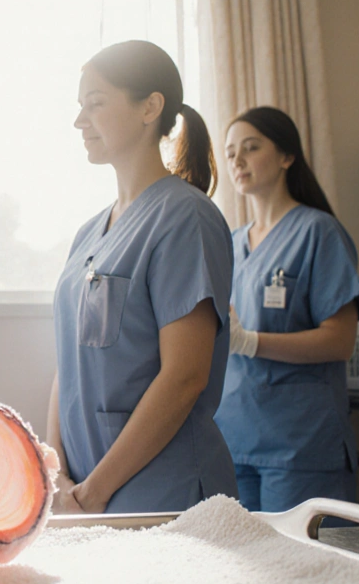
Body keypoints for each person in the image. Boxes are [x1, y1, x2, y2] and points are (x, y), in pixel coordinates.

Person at [46, 40, 238, 514]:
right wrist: (55, 472)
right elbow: (68, 367)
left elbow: (185, 376)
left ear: (150, 107)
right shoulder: (89, 232)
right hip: (85, 492)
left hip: (160, 492)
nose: (79, 121)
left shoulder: (184, 218)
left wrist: (93, 492)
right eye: (79, 107)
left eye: (95, 104)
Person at [213, 106, 359, 513]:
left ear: (287, 156)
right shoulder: (229, 244)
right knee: (244, 570)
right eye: (230, 153)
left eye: (251, 147)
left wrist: (251, 342)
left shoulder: (318, 233)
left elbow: (340, 340)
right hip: (235, 436)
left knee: (304, 569)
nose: (238, 161)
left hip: (301, 443)